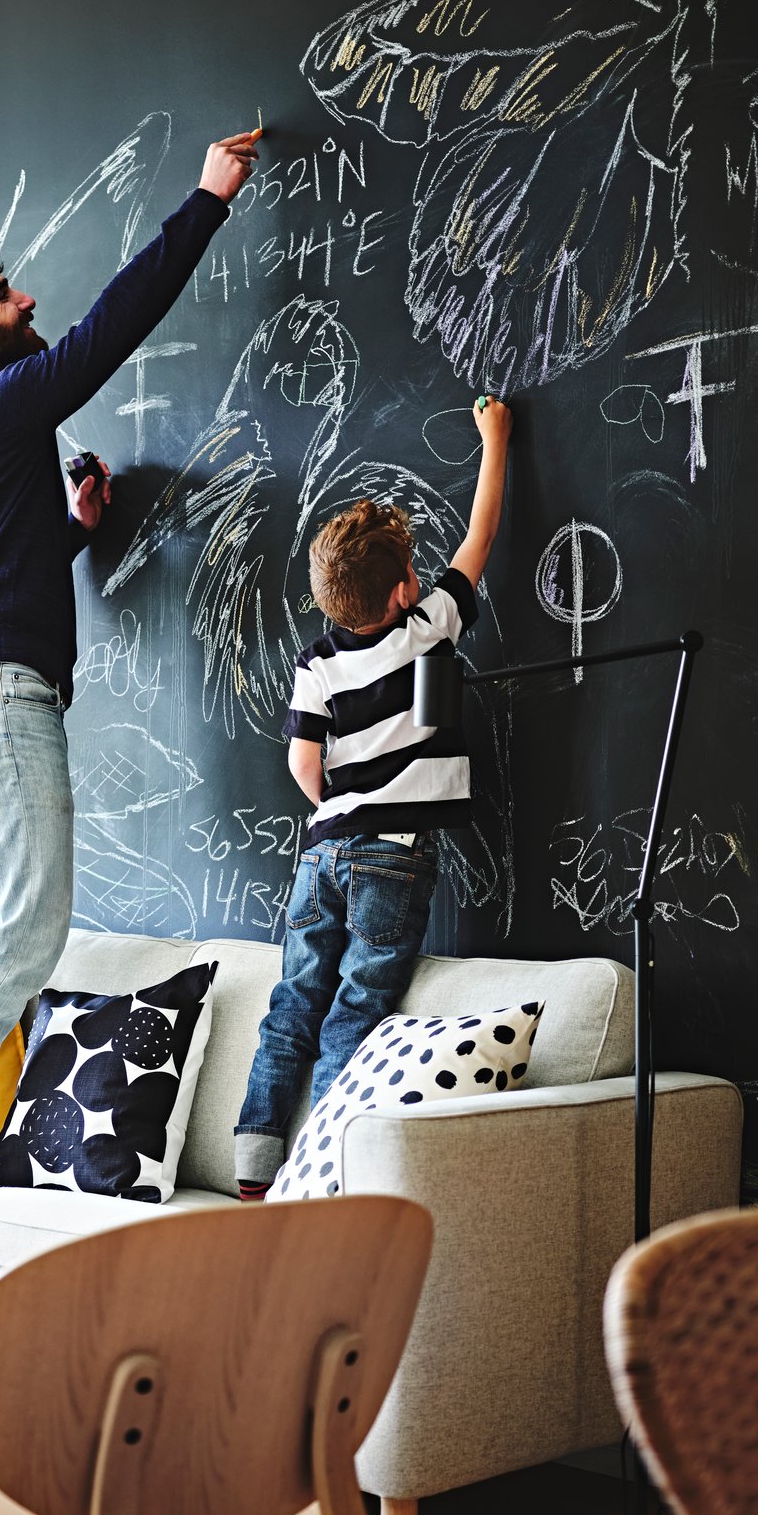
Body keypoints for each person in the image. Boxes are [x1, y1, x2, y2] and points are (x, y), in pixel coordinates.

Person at [0, 128, 263, 1179]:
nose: (24, 302)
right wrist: (205, 201)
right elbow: (104, 339)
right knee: (26, 939)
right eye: (2, 295)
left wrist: (73, 526)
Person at [233, 395, 513, 1199]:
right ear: (401, 592)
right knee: (357, 1006)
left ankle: (255, 1164)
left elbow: (301, 764)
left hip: (322, 849)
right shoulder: (426, 627)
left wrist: (338, 800)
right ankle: (327, 1172)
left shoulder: (316, 662)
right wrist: (495, 438)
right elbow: (481, 537)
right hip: (394, 856)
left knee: (294, 1002)